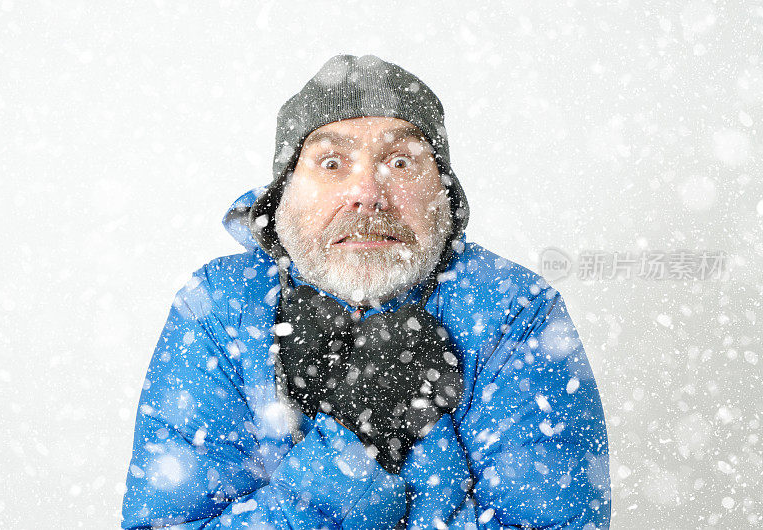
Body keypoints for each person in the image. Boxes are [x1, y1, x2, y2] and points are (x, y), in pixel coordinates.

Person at [121, 54, 611, 529]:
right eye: (332, 162)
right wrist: (355, 442)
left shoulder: (513, 310)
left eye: (400, 161)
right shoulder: (220, 307)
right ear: (285, 192)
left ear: (444, 192)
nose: (367, 192)